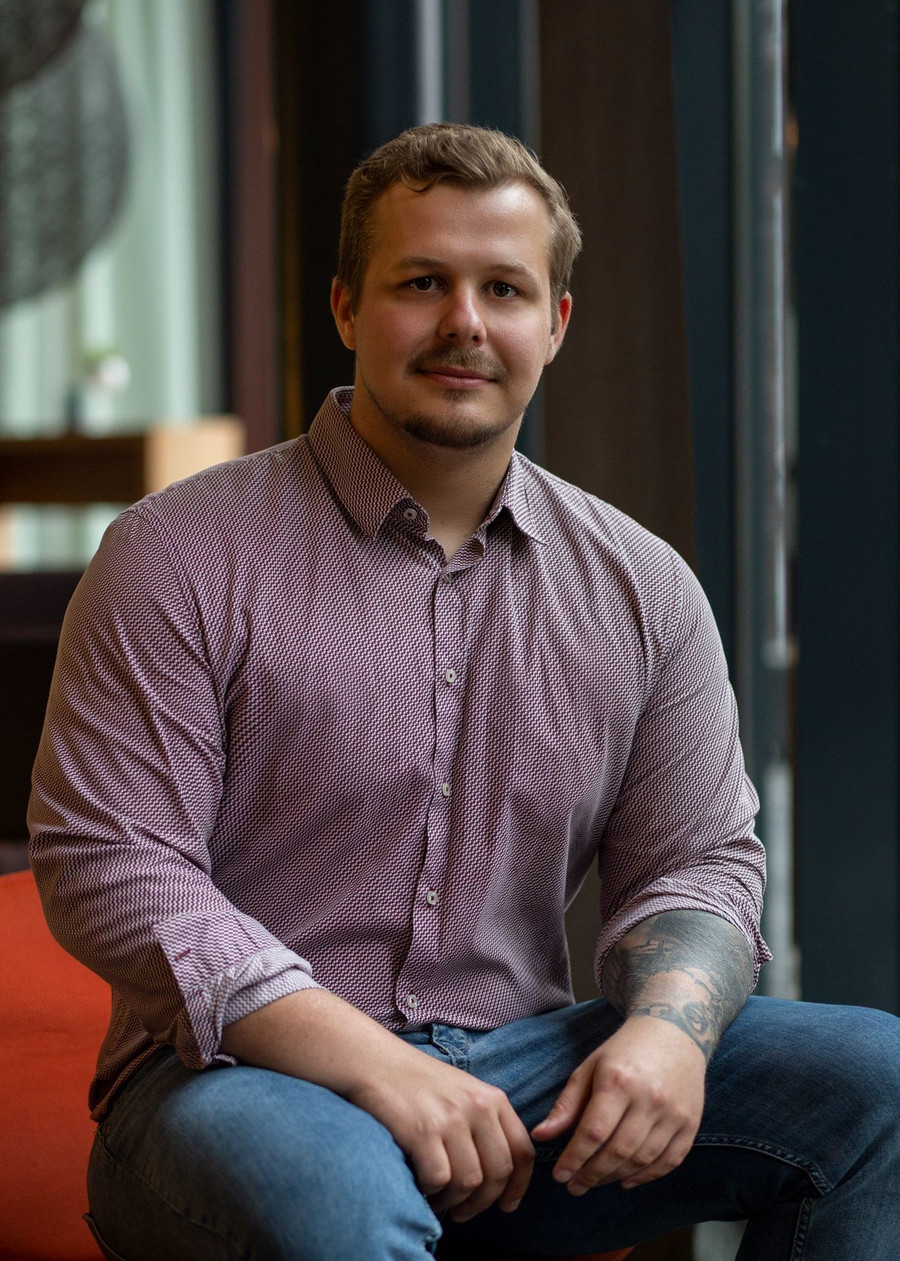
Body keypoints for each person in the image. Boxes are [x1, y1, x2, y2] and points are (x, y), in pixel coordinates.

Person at [29, 123, 900, 1261]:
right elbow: (114, 862)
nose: (466, 323)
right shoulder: (180, 554)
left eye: (504, 289)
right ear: (347, 308)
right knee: (335, 1193)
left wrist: (669, 1033)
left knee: (876, 1084)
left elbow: (697, 863)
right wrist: (379, 1069)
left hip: (519, 1090)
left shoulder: (643, 588)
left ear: (557, 323)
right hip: (235, 1083)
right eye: (422, 283)